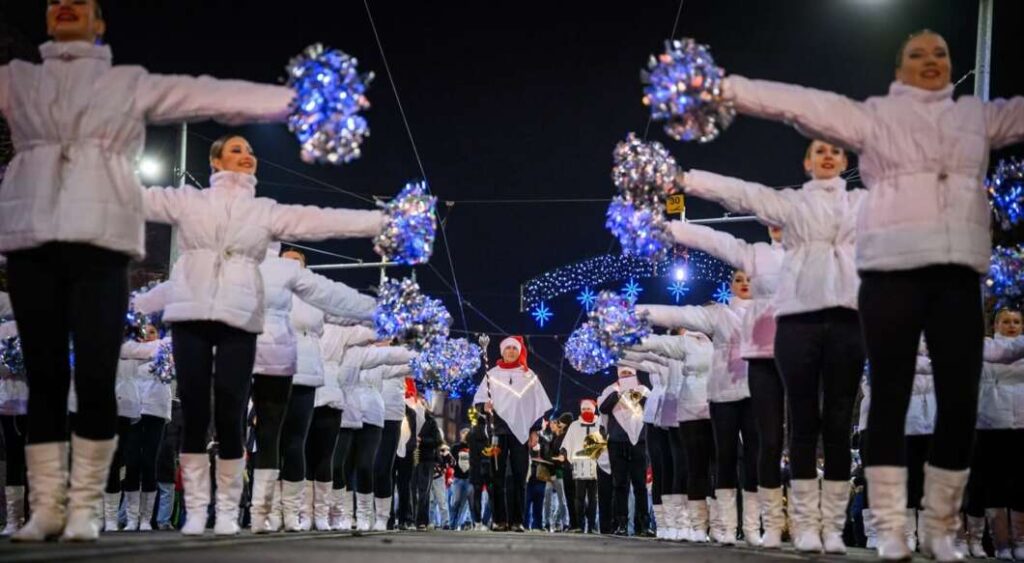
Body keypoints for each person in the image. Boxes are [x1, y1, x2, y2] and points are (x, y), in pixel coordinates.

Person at [709, 29, 1024, 560]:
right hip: (878, 282)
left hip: (953, 276)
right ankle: (881, 528)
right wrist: (726, 89)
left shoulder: (973, 118)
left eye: (940, 54)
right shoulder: (873, 119)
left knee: (956, 403)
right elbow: (798, 105)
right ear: (899, 70)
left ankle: (940, 528)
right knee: (877, 403)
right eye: (917, 55)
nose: (930, 61)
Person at [0, 0, 299, 542]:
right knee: (44, 379)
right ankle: (46, 508)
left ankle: (86, 508)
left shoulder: (126, 84)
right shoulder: (17, 79)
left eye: (81, 4)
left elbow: (208, 93)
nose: (67, 7)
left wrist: (294, 101)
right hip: (31, 236)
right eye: (57, 2)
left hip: (103, 243)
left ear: (99, 24)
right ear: (48, 19)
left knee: (93, 376)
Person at [137, 133, 385, 536]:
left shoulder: (276, 251)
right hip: (200, 326)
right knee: (202, 419)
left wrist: (381, 306)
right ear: (215, 161)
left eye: (251, 151)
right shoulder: (198, 216)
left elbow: (326, 258)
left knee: (240, 424)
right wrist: (130, 309)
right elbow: (172, 277)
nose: (247, 156)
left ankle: (243, 512)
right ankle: (202, 511)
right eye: (237, 150)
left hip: (257, 344)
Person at [667, 220, 787, 548]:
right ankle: (723, 526)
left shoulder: (769, 311)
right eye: (738, 279)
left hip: (756, 391)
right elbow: (679, 317)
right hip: (720, 395)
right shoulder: (718, 315)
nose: (744, 283)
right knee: (725, 456)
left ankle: (751, 527)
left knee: (754, 458)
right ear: (731, 285)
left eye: (749, 279)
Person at [638, 271, 756, 546]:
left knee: (726, 464)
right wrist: (622, 342)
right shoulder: (685, 345)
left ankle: (725, 525)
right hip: (686, 411)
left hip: (723, 408)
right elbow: (651, 350)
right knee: (688, 467)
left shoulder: (726, 341)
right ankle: (688, 524)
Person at [472, 336, 552, 532]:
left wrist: (535, 431)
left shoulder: (529, 375)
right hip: (498, 431)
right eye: (507, 348)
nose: (511, 351)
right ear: (502, 351)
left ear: (519, 351)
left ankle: (517, 520)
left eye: (514, 349)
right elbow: (478, 403)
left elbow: (537, 406)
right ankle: (499, 520)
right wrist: (485, 406)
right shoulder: (492, 374)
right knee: (496, 477)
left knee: (519, 476)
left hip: (521, 433)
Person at [598, 365, 653, 537]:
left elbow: (651, 408)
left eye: (629, 373)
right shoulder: (611, 390)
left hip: (639, 443)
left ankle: (643, 524)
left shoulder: (643, 390)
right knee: (619, 485)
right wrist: (619, 394)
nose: (626, 376)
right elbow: (603, 409)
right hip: (616, 442)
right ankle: (621, 523)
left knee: (640, 486)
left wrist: (634, 395)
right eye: (623, 373)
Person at [0, 316, 27, 537]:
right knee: (14, 458)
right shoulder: (4, 329)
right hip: (9, 404)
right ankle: (13, 519)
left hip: (38, 404)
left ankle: (36, 516)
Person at [561, 400, 604, 534]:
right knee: (579, 497)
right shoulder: (574, 426)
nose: (586, 411)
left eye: (588, 409)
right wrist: (565, 453)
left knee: (593, 497)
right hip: (579, 464)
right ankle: (579, 525)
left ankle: (591, 526)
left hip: (594, 465)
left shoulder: (599, 425)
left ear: (594, 410)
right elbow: (566, 443)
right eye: (583, 409)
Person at [414, 394, 443, 531]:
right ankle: (406, 519)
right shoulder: (408, 418)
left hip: (426, 459)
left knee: (423, 491)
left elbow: (437, 441)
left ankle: (421, 521)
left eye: (422, 403)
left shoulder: (431, 421)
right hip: (411, 457)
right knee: (410, 489)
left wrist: (422, 441)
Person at [450, 428, 474, 530]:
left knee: (472, 505)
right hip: (458, 478)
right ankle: (453, 525)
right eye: (463, 433)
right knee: (456, 503)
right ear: (460, 435)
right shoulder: (455, 447)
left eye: (467, 433)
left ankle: (475, 525)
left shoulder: (473, 447)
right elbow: (451, 462)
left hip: (470, 479)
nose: (465, 435)